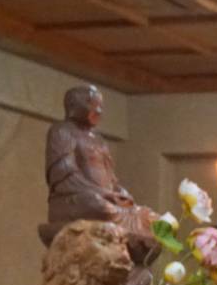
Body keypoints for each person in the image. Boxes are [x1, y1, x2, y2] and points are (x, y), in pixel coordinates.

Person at [42, 85, 157, 256]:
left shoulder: (98, 139)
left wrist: (121, 192)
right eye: (91, 103)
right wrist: (105, 194)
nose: (98, 110)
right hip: (75, 199)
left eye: (100, 105)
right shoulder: (62, 131)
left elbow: (111, 179)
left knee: (149, 217)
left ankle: (135, 235)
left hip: (105, 198)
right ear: (73, 105)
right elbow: (65, 174)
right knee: (97, 204)